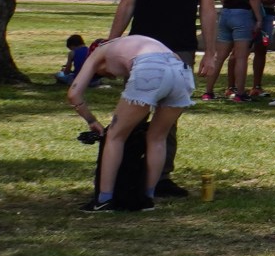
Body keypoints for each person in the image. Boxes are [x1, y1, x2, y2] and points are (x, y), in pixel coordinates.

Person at [110, 0, 213, 196]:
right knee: (134, 111)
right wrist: (112, 43)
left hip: (180, 50)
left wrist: (211, 52)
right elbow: (127, 5)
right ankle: (126, 170)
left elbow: (207, 11)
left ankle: (161, 177)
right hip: (140, 49)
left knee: (169, 116)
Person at [68, 33, 195, 211]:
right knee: (157, 137)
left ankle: (103, 199)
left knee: (115, 136)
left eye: (102, 73)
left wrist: (91, 121)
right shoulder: (131, 43)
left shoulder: (97, 53)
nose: (110, 75)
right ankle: (147, 198)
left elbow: (74, 94)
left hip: (150, 69)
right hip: (181, 70)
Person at [201, 0, 263, 103]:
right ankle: (240, 93)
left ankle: (208, 91)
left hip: (226, 13)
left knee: (219, 57)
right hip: (242, 14)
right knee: (241, 57)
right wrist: (258, 18)